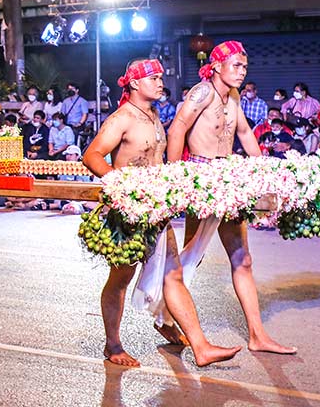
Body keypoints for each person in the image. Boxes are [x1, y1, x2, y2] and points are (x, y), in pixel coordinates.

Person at [84, 58, 240, 368]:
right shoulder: (122, 118)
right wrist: (120, 185)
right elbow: (92, 155)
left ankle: (201, 346)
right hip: (127, 214)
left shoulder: (153, 115)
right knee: (121, 278)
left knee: (173, 274)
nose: (160, 83)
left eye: (160, 78)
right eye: (153, 78)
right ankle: (113, 344)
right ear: (134, 84)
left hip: (156, 212)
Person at [167, 41, 295, 356]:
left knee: (243, 259)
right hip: (202, 178)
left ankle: (258, 336)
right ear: (216, 67)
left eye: (244, 67)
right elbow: (177, 129)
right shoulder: (202, 92)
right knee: (189, 256)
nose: (241, 72)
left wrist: (266, 172)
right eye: (236, 66)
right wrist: (172, 177)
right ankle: (167, 317)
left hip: (228, 178)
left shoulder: (233, 96)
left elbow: (245, 134)